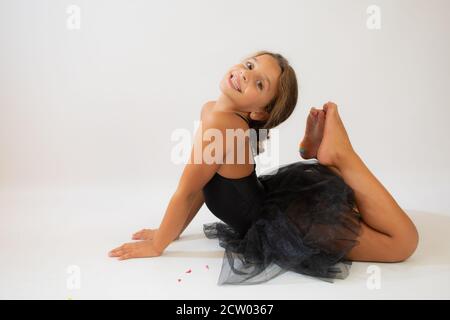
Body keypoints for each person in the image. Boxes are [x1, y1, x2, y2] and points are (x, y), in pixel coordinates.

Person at [108, 51, 419, 285]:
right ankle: (320, 154)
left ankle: (342, 156)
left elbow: (184, 192)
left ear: (258, 112)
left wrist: (158, 245)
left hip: (287, 223)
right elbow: (200, 189)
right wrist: (169, 231)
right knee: (364, 223)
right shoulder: (214, 113)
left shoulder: (220, 121)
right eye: (249, 65)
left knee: (402, 243)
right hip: (275, 203)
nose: (246, 74)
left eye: (259, 82)